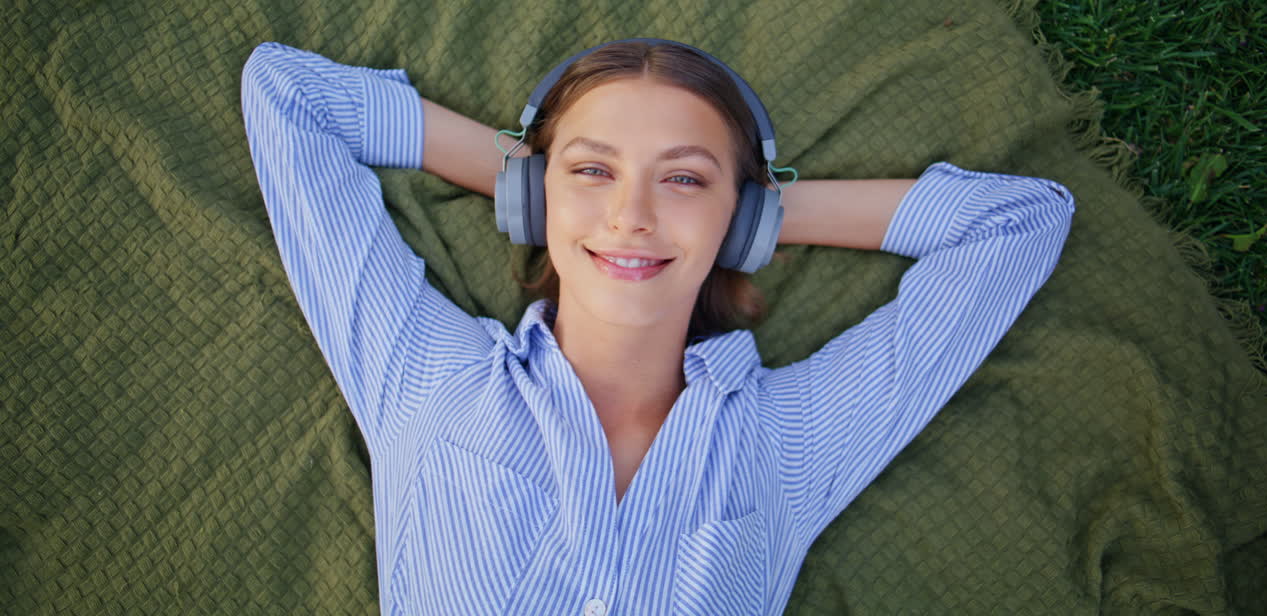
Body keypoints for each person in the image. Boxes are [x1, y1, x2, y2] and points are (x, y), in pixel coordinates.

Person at [241, 39, 1074, 615]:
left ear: (738, 217)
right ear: (538, 195)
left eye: (682, 179)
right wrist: (521, 185)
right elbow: (290, 96)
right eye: (592, 170)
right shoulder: (421, 377)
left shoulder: (791, 443)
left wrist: (753, 220)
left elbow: (1015, 222)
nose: (631, 215)